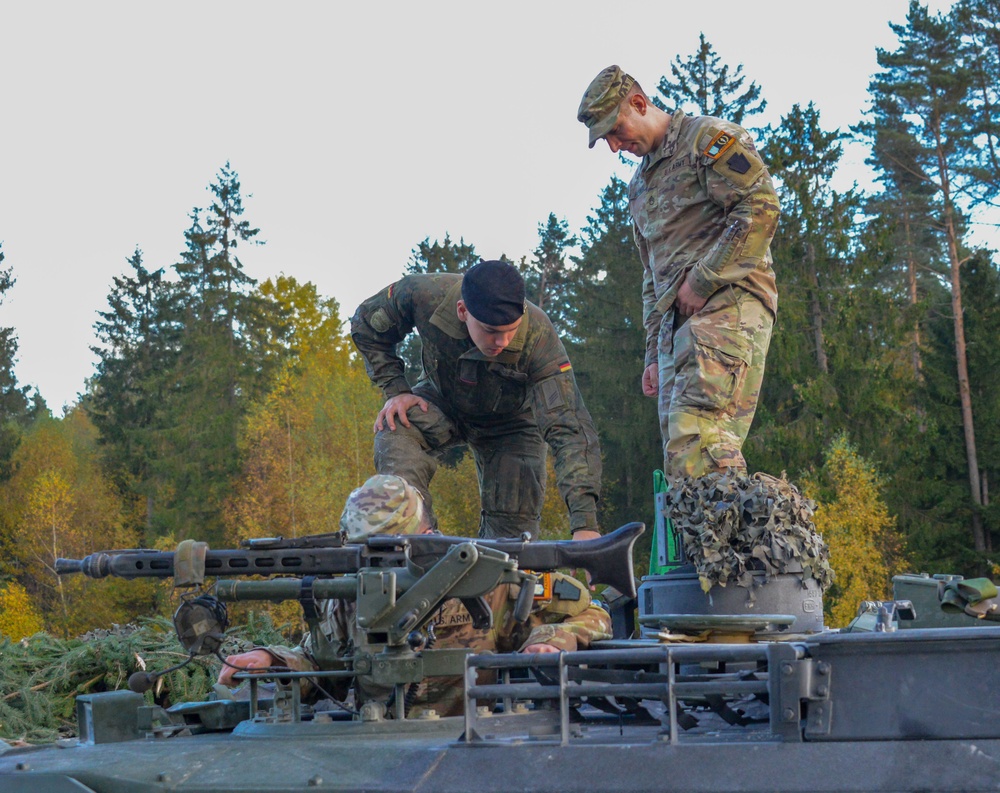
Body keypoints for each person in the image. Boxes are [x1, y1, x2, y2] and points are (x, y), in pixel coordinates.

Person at [219, 474, 612, 718]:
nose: (373, 567)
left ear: (427, 540)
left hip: (476, 748)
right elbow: (322, 668)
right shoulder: (347, 597)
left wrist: (549, 642)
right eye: (361, 554)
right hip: (380, 754)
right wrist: (272, 661)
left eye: (388, 552)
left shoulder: (485, 582)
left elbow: (592, 614)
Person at [577, 66, 780, 483]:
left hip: (729, 307)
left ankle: (728, 547)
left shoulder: (707, 141)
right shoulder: (639, 187)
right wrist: (653, 352)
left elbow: (760, 206)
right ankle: (702, 547)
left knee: (700, 443)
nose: (615, 147)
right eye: (606, 141)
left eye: (615, 130)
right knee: (681, 462)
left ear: (639, 103)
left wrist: (703, 280)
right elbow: (652, 276)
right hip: (675, 332)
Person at [350, 258, 602, 541]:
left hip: (512, 426)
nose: (502, 341)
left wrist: (585, 524)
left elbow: (569, 429)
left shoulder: (540, 339)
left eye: (511, 330)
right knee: (396, 428)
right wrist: (396, 391)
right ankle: (416, 538)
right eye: (491, 331)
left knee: (513, 542)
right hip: (440, 402)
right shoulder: (423, 294)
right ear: (462, 311)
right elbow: (366, 326)